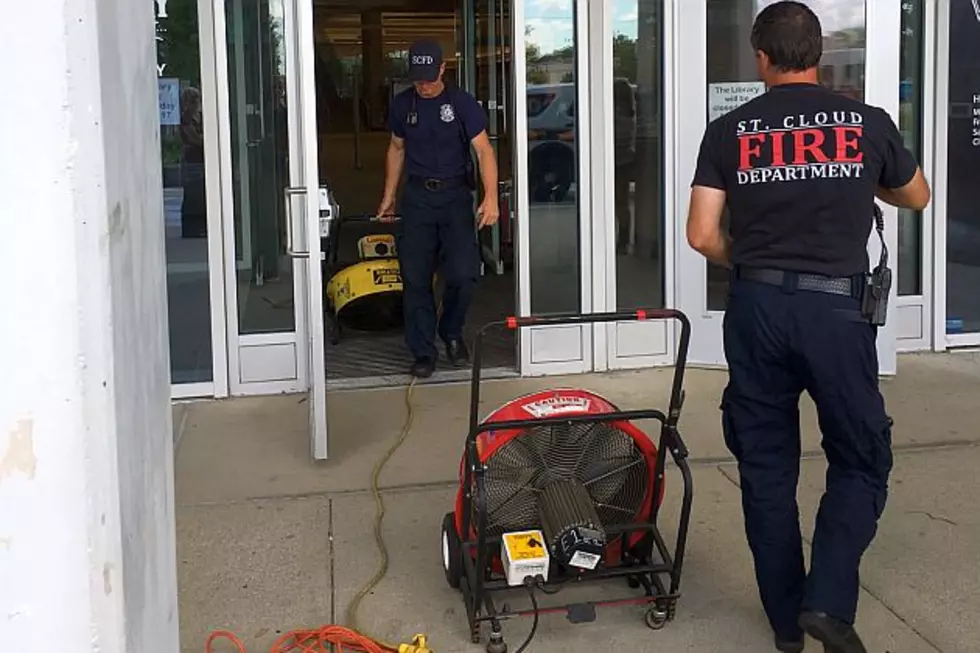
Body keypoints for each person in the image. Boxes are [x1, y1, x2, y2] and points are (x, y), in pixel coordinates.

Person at [685, 3, 930, 653]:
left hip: (758, 309)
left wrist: (758, 262)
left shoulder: (729, 130)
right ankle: (827, 600)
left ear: (761, 58)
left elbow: (701, 234)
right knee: (859, 454)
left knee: (766, 469)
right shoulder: (866, 124)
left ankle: (787, 623)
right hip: (835, 313)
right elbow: (917, 195)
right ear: (817, 55)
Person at [378, 39, 499, 379]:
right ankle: (422, 350)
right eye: (418, 79)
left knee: (464, 274)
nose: (425, 85)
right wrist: (388, 195)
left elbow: (484, 151)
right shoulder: (403, 105)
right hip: (417, 200)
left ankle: (451, 332)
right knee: (415, 279)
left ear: (443, 69)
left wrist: (490, 198)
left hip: (455, 199)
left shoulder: (462, 104)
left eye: (430, 77)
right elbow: (396, 148)